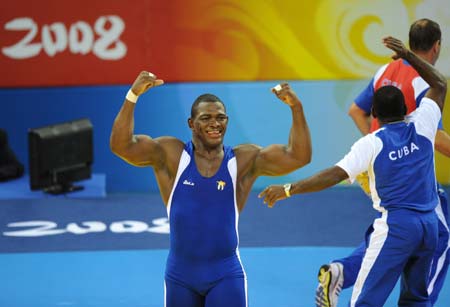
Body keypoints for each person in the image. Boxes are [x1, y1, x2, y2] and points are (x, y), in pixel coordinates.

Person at [259, 35, 447, 307]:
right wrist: (408, 55)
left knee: (365, 302)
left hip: (397, 227)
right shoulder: (423, 123)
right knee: (416, 299)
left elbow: (331, 175)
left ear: (375, 115)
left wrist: (288, 189)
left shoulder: (371, 143)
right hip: (429, 225)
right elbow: (439, 83)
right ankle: (342, 271)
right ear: (407, 109)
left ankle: (341, 272)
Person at [110, 75, 312, 306]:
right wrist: (132, 95)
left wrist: (296, 108)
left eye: (221, 118)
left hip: (225, 275)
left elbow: (299, 156)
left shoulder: (244, 160)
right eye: (206, 118)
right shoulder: (171, 155)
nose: (215, 124)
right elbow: (121, 146)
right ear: (191, 124)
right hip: (180, 276)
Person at [316, 18, 450, 307]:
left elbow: (356, 110)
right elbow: (436, 138)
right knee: (439, 236)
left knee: (395, 233)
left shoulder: (384, 71)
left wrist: (378, 147)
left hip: (377, 169)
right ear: (437, 46)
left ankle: (342, 271)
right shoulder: (421, 81)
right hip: (410, 176)